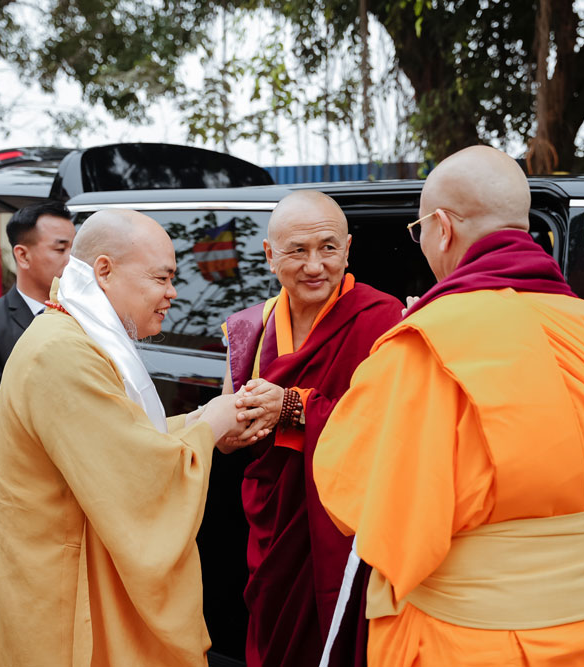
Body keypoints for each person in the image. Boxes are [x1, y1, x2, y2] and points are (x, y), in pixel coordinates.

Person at [312, 146, 584, 666]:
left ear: (441, 227)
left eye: (418, 229)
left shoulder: (426, 342)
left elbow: (358, 497)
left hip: (467, 640)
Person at [0, 209, 261, 667]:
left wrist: (205, 415)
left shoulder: (73, 333)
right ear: (104, 269)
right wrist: (210, 425)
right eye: (162, 277)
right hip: (57, 590)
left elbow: (125, 434)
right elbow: (135, 475)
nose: (172, 293)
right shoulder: (62, 351)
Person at [221, 190, 402, 666]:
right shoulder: (249, 329)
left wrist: (294, 407)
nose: (314, 265)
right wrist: (237, 422)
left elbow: (393, 427)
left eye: (327, 248)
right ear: (268, 255)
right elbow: (225, 435)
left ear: (347, 249)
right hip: (277, 524)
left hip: (348, 527)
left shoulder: (385, 320)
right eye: (297, 251)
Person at [0, 201, 76, 488]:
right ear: (23, 255)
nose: (72, 260)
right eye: (61, 249)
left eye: (76, 248)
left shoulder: (89, 319)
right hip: (24, 487)